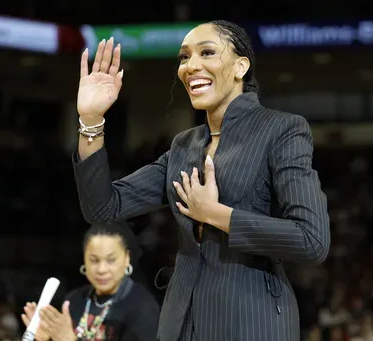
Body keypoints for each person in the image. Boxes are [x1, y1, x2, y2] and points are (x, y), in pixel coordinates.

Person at [73, 20, 330, 341]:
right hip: (179, 322)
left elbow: (312, 240)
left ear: (240, 66)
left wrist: (216, 214)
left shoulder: (281, 130)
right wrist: (91, 120)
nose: (191, 66)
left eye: (206, 52)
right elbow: (102, 209)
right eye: (183, 57)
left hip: (252, 321)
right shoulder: (183, 145)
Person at [21, 222, 160, 341]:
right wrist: (46, 338)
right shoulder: (74, 300)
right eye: (94, 260)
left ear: (126, 259)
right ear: (84, 260)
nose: (101, 269)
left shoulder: (143, 308)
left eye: (111, 260)